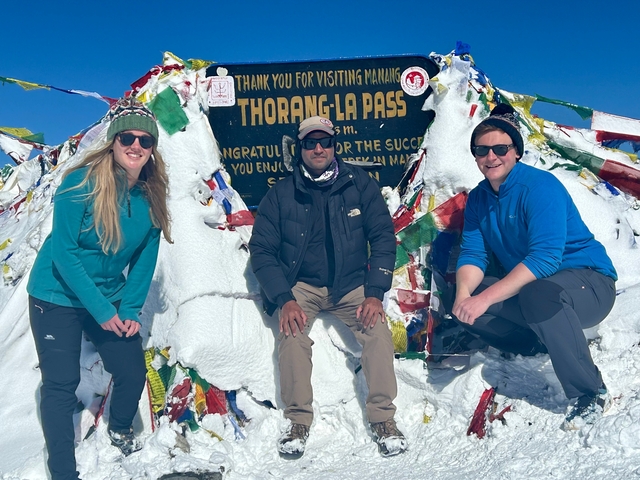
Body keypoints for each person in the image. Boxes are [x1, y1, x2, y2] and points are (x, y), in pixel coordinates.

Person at [27, 97, 172, 480]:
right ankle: (63, 471)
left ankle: (120, 426)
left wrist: (126, 311)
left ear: (153, 148)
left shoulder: (151, 196)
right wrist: (103, 312)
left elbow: (143, 261)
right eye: (127, 138)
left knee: (131, 370)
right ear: (113, 141)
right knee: (60, 385)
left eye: (145, 141)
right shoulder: (80, 184)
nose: (136, 147)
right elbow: (64, 254)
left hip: (108, 293)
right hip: (55, 295)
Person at [249, 116, 406, 458]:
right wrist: (284, 298)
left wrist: (375, 292)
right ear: (299, 147)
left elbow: (382, 237)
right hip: (302, 286)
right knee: (291, 334)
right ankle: (298, 420)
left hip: (351, 285)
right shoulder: (281, 194)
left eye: (325, 142)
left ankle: (383, 419)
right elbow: (261, 251)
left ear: (335, 146)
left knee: (377, 332)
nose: (318, 148)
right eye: (309, 143)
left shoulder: (359, 184)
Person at [452, 104, 617, 430]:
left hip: (590, 285)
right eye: (482, 150)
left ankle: (591, 392)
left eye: (501, 148)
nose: (492, 156)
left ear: (516, 152)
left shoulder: (540, 187)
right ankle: (539, 344)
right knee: (469, 297)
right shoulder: (479, 199)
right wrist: (463, 294)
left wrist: (483, 299)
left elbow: (545, 259)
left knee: (534, 295)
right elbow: (473, 254)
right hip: (540, 289)